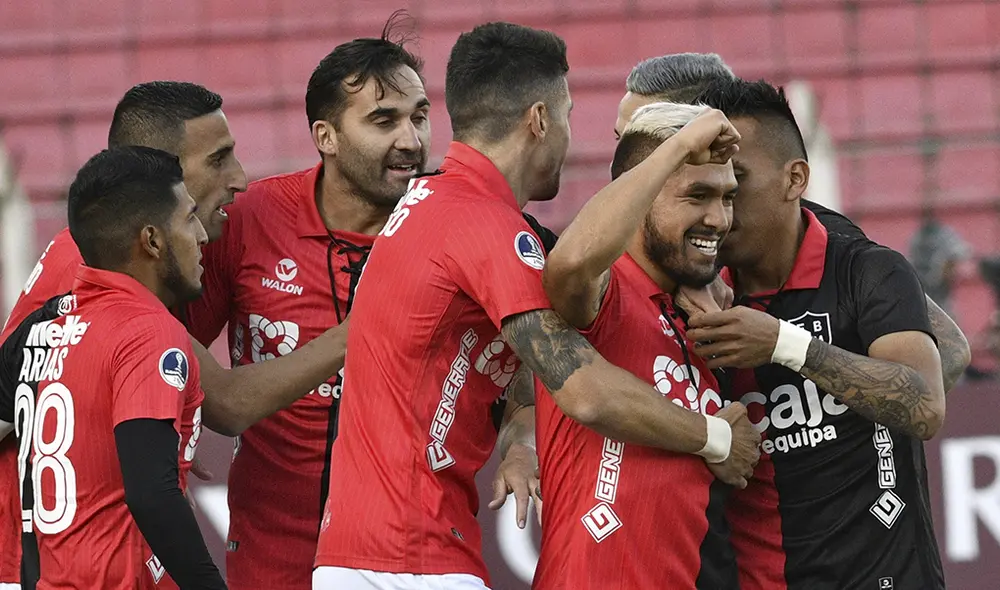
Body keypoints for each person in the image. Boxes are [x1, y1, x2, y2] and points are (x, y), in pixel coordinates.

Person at [313, 22, 759, 590]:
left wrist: (521, 441)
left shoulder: (433, 202)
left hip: (379, 548)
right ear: (540, 120)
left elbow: (526, 376)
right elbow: (584, 390)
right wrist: (716, 438)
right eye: (569, 116)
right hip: (407, 557)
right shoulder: (485, 227)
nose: (572, 139)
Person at [0, 80, 351, 589]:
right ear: (156, 173)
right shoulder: (110, 276)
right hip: (48, 559)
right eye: (217, 159)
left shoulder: (93, 258)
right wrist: (360, 329)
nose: (239, 179)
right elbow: (226, 405)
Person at [683, 77, 946, 589]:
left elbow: (924, 405)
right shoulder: (690, 296)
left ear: (795, 178)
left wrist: (784, 344)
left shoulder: (869, 272)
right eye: (708, 187)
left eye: (737, 181)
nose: (721, 206)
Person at [616, 53, 971, 390]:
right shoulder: (630, 227)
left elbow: (950, 353)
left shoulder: (804, 228)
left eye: (648, 136)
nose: (630, 160)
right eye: (622, 141)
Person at [535, 102, 759, 589]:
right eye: (697, 195)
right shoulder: (608, 292)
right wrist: (678, 145)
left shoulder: (701, 312)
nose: (719, 219)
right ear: (641, 195)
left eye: (727, 198)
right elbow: (568, 266)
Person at [0, 147, 225, 589]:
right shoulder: (146, 330)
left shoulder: (46, 323)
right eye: (188, 218)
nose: (201, 234)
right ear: (152, 240)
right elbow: (151, 494)